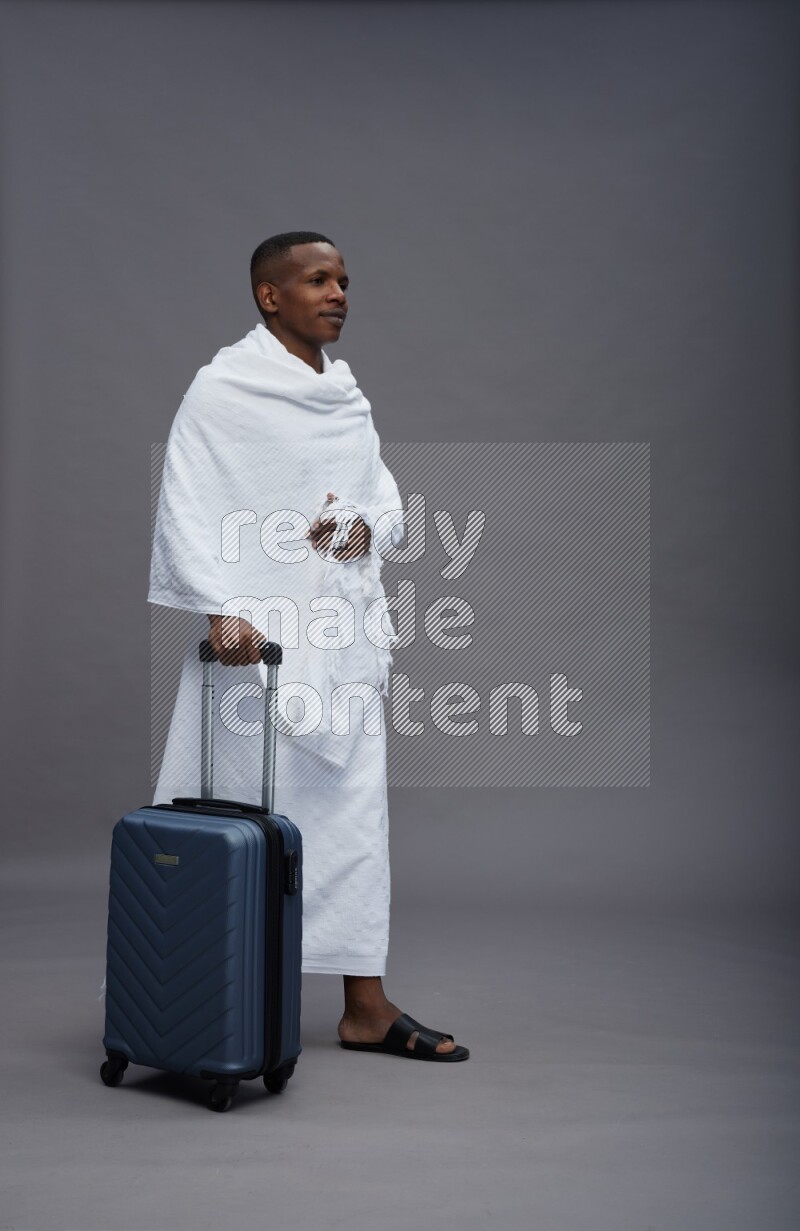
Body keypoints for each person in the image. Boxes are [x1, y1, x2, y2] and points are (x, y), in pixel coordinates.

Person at [149, 231, 468, 1062]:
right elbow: (185, 497)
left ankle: (366, 1006)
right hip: (254, 644)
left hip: (342, 637)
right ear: (270, 295)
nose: (338, 293)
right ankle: (208, 990)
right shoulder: (222, 389)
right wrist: (217, 607)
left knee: (354, 819)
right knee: (243, 815)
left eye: (345, 281)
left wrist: (367, 528)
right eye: (318, 279)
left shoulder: (347, 396)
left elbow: (382, 501)